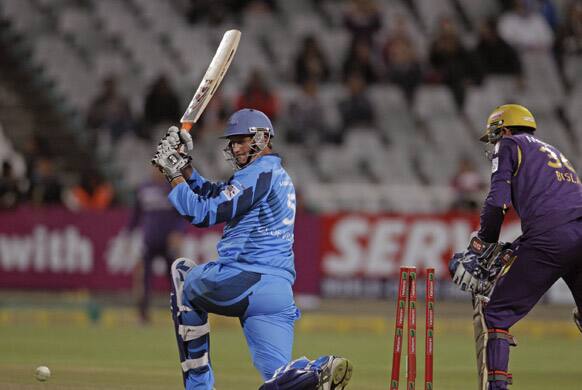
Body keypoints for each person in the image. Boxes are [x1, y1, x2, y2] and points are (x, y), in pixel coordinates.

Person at [151, 108, 352, 390]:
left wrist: (173, 176)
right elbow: (216, 193)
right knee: (280, 381)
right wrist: (184, 169)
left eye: (242, 139)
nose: (235, 147)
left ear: (262, 137)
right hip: (277, 294)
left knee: (184, 275)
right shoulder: (276, 175)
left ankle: (198, 385)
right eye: (233, 141)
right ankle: (311, 374)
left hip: (246, 279)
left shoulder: (259, 172)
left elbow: (203, 213)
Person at [448, 104, 582, 390]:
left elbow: (498, 202)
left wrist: (483, 241)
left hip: (552, 236)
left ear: (504, 129)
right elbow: (564, 214)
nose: (494, 143)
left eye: (495, 136)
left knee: (494, 313)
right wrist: (518, 245)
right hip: (572, 230)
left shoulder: (509, 144)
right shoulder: (554, 152)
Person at [127, 166, 187, 323]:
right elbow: (136, 214)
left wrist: (178, 232)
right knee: (144, 279)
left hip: (168, 241)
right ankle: (143, 314)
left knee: (174, 278)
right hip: (149, 240)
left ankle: (180, 312)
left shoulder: (171, 188)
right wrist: (128, 233)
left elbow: (181, 214)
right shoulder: (143, 188)